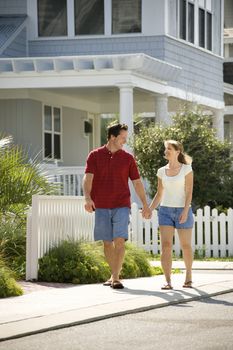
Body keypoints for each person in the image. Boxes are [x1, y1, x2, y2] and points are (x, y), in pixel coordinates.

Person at [83, 123, 151, 289]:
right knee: (107, 242)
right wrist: (87, 199)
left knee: (119, 240)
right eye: (122, 138)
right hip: (102, 205)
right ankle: (113, 275)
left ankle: (115, 277)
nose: (124, 142)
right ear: (112, 137)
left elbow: (137, 183)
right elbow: (88, 178)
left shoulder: (128, 158)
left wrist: (145, 204)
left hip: (122, 204)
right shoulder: (95, 155)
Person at [149, 140, 194, 290]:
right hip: (165, 211)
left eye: (169, 149)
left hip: (182, 210)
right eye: (166, 149)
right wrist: (150, 208)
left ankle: (188, 276)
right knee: (166, 246)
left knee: (186, 246)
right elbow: (159, 193)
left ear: (177, 152)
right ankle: (168, 281)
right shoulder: (161, 171)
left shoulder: (186, 169)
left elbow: (189, 192)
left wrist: (186, 211)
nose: (166, 151)